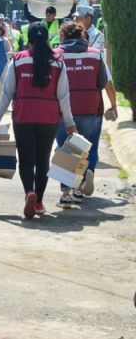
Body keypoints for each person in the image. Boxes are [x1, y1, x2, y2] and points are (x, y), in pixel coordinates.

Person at [0, 22, 76, 219]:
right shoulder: (58, 63)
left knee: (26, 159)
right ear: (47, 39)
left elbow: (7, 92)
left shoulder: (18, 60)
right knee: (42, 160)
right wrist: (70, 123)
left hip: (23, 116)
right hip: (48, 117)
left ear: (28, 39)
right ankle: (38, 202)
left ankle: (29, 191)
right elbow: (63, 96)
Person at [54, 22, 117, 207]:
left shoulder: (57, 55)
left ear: (63, 37)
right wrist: (114, 105)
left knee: (66, 150)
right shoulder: (95, 55)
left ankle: (65, 194)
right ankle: (81, 186)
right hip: (91, 107)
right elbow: (107, 83)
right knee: (89, 148)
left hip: (64, 109)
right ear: (83, 36)